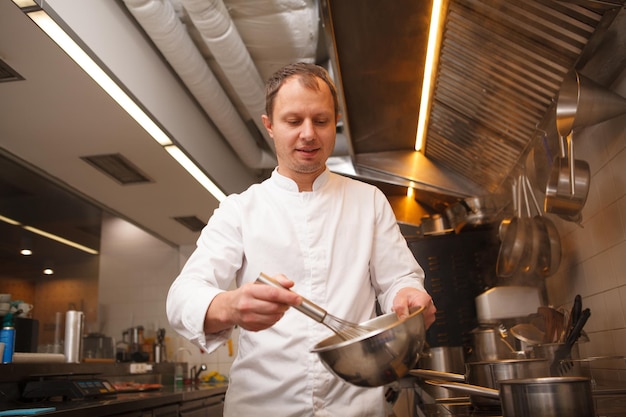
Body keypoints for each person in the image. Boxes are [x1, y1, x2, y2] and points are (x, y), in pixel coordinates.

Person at [167, 62, 436, 416]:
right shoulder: (240, 210)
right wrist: (231, 306)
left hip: (354, 408)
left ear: (335, 121)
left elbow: (398, 279)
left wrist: (408, 297)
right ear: (270, 127)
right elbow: (182, 297)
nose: (308, 134)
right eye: (293, 121)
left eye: (321, 121)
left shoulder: (369, 201)